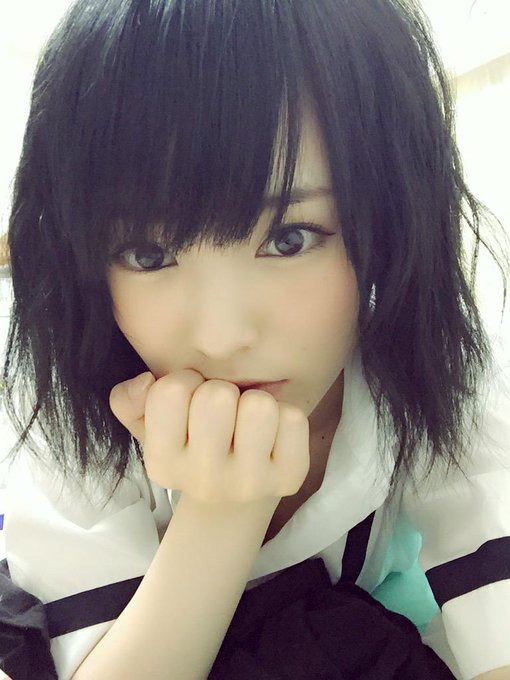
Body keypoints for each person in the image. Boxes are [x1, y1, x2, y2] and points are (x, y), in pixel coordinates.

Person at [0, 0, 509, 678]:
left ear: (391, 219)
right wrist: (224, 512)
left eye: (290, 238)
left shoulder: (429, 366)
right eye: (148, 255)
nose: (221, 337)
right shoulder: (65, 400)